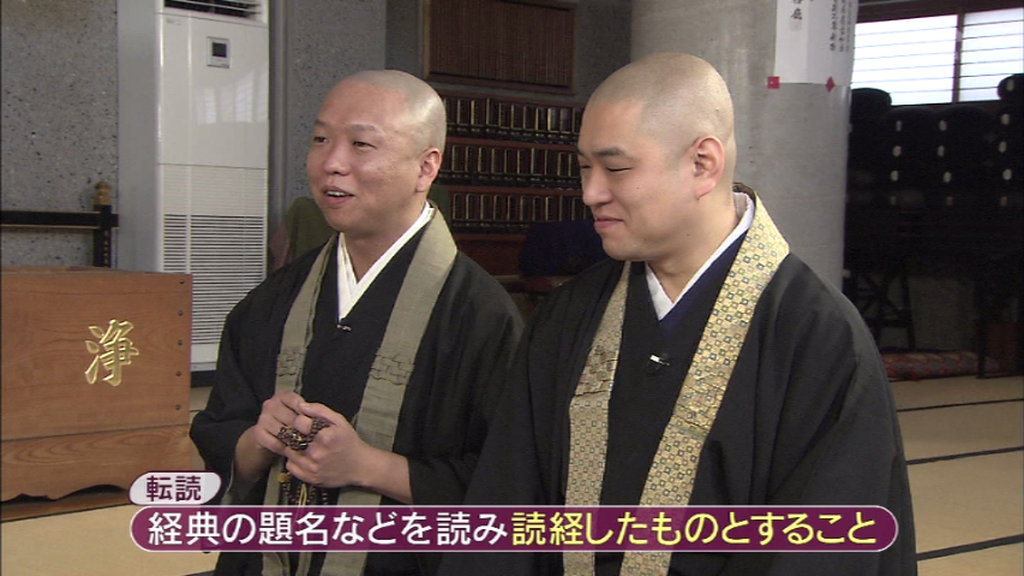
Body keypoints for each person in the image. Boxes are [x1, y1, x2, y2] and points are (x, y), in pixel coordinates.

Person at [441, 53, 917, 576]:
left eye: (616, 168)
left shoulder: (817, 337)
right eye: (584, 168)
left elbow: (825, 547)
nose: (591, 193)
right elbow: (508, 502)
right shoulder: (569, 315)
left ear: (702, 164)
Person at [190, 69, 524, 576]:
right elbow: (220, 433)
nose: (332, 163)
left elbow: (510, 482)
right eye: (321, 140)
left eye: (361, 144)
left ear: (426, 167)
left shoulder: (481, 317)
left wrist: (371, 468)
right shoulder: (270, 303)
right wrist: (260, 440)